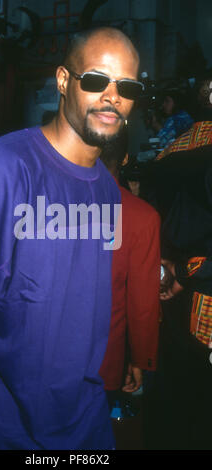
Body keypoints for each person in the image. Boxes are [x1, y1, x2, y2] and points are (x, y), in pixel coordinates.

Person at [0, 27, 143, 450]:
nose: (112, 96)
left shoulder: (104, 188)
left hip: (84, 426)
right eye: (96, 80)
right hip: (6, 432)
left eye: (127, 86)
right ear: (63, 81)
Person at [142, 74, 212, 449]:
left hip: (167, 289)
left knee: (178, 398)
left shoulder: (167, 153)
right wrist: (186, 271)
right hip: (199, 290)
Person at [99, 127, 160, 405]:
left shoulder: (46, 209)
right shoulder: (141, 216)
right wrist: (141, 357)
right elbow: (142, 302)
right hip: (106, 358)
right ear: (124, 158)